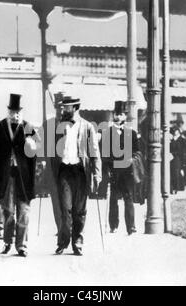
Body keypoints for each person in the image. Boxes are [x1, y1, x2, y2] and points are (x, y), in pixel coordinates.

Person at [0, 94, 39, 257]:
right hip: (5, 176)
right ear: (8, 112)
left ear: (22, 112)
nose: (16, 115)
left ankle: (21, 245)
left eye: (18, 112)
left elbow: (39, 150)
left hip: (23, 177)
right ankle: (8, 241)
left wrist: (33, 147)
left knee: (24, 211)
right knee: (8, 211)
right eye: (13, 112)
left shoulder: (29, 128)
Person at [54, 96, 102, 256]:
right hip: (65, 172)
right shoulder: (59, 126)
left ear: (75, 108)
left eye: (66, 107)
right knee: (65, 208)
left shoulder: (88, 127)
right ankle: (63, 242)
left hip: (81, 172)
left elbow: (95, 152)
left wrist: (97, 174)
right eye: (62, 107)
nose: (63, 110)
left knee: (79, 211)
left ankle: (77, 243)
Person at [103, 101, 141, 235]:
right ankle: (113, 225)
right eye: (116, 114)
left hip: (127, 171)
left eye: (121, 114)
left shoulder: (132, 133)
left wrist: (132, 159)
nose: (118, 117)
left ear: (125, 116)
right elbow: (105, 154)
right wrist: (107, 170)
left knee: (128, 197)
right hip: (114, 170)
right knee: (113, 198)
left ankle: (131, 226)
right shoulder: (107, 133)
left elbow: (137, 151)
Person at [39, 92, 65, 235]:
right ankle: (61, 227)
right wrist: (42, 161)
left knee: (68, 199)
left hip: (68, 167)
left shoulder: (72, 125)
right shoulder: (47, 125)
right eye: (58, 108)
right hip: (52, 168)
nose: (61, 111)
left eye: (63, 108)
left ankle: (67, 225)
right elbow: (41, 145)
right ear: (55, 108)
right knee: (55, 198)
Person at [170, 128, 186, 194]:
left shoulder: (182, 140)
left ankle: (176, 188)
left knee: (176, 173)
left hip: (178, 159)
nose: (175, 132)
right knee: (172, 173)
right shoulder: (172, 139)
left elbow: (182, 151)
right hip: (172, 159)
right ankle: (173, 188)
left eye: (176, 131)